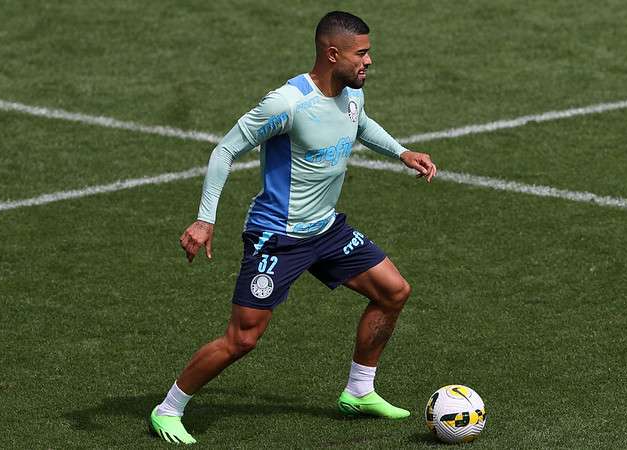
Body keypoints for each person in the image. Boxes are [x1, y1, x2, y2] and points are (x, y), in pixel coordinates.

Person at [149, 11, 437, 444]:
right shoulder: (287, 103)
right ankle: (168, 408)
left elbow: (358, 123)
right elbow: (225, 151)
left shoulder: (350, 91)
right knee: (243, 339)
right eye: (362, 53)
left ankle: (359, 390)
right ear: (332, 52)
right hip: (277, 237)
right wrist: (205, 219)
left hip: (326, 230)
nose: (370, 61)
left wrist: (400, 151)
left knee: (394, 291)